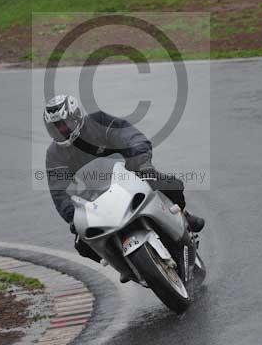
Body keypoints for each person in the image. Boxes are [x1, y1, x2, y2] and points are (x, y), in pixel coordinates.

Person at [44, 94, 205, 278]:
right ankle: (125, 265)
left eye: (64, 124)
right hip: (94, 196)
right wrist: (71, 214)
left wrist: (142, 162)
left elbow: (129, 135)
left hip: (129, 173)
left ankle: (184, 217)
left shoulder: (99, 121)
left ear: (76, 117)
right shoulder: (54, 154)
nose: (61, 130)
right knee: (82, 244)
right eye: (55, 127)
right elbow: (58, 189)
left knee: (170, 185)